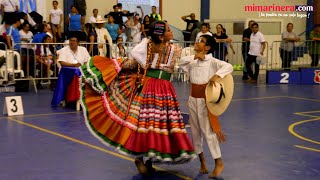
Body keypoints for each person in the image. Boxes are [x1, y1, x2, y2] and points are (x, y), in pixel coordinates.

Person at [80, 20, 196, 175]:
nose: (172, 32)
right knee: (147, 124)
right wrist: (115, 65)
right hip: (148, 89)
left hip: (165, 90)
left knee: (159, 124)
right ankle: (141, 159)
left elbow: (186, 61)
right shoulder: (145, 48)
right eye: (169, 30)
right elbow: (131, 64)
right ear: (161, 36)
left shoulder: (175, 49)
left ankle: (149, 159)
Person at [179, 35, 233, 179]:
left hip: (205, 101)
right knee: (195, 133)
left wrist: (217, 76)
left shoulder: (213, 62)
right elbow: (181, 63)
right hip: (192, 100)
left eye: (201, 41)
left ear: (207, 48)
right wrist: (195, 57)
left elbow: (229, 66)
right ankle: (202, 162)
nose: (197, 42)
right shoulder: (192, 60)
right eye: (197, 40)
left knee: (208, 132)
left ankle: (218, 162)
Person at [51, 35, 90, 107]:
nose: (72, 42)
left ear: (78, 43)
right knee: (74, 77)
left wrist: (82, 66)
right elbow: (62, 63)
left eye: (74, 41)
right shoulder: (63, 50)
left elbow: (87, 61)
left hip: (82, 70)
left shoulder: (83, 49)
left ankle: (84, 98)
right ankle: (71, 98)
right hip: (66, 72)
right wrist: (74, 65)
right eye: (70, 41)